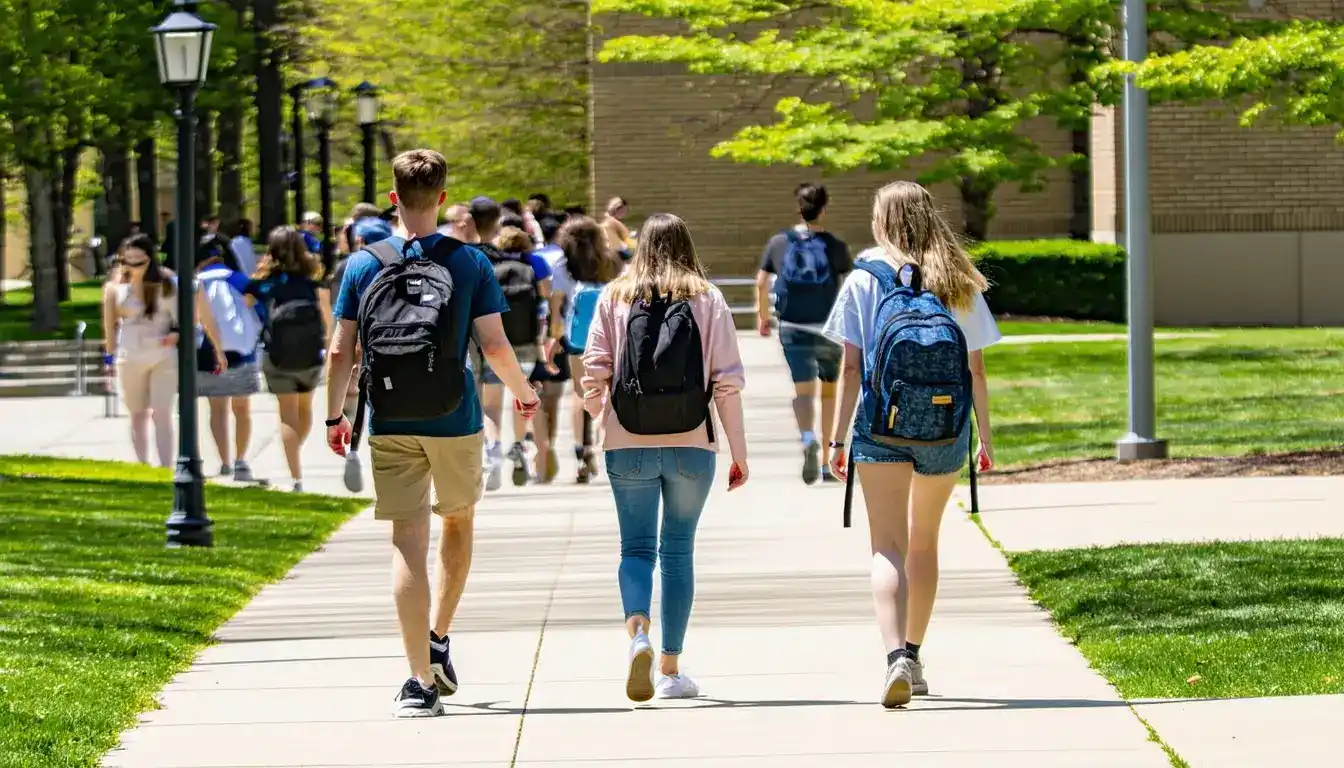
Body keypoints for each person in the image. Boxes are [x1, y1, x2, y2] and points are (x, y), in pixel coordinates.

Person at [325, 149, 540, 718]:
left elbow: (340, 349)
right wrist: (522, 394)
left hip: (391, 418)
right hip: (455, 416)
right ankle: (439, 635)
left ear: (394, 198)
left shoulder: (362, 263)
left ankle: (419, 680)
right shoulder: (469, 262)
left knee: (406, 541)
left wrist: (335, 416)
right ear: (442, 199)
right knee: (459, 522)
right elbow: (494, 346)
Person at [823, 181, 999, 708]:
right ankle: (916, 657)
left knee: (887, 545)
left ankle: (893, 656)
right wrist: (984, 437)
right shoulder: (956, 278)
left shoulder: (863, 278)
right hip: (945, 430)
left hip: (880, 426)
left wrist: (836, 441)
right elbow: (977, 370)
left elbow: (850, 368)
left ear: (881, 222)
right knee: (924, 542)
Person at [581, 213, 749, 701]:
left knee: (635, 549)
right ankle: (672, 671)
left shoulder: (615, 296)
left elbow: (593, 373)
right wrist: (738, 452)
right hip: (691, 444)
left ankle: (638, 635)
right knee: (678, 552)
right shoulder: (707, 298)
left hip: (626, 443)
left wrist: (605, 418)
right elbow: (727, 381)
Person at [755, 182, 852, 485]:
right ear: (824, 208)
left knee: (803, 392)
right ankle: (826, 461)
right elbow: (847, 288)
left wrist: (763, 318)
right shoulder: (835, 245)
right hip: (827, 329)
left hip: (793, 327)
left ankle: (807, 437)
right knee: (827, 392)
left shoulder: (779, 242)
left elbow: (761, 281)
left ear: (798, 208)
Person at [101, 234, 224, 466]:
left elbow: (186, 318)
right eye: (127, 261)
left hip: (163, 355)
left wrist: (176, 333)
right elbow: (109, 328)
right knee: (137, 413)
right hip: (130, 354)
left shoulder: (168, 284)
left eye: (139, 262)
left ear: (150, 259)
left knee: (162, 412)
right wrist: (109, 359)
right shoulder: (114, 288)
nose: (133, 267)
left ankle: (167, 466)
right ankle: (142, 464)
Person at [470, 199, 553, 490]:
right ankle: (518, 445)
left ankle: (492, 453)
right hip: (527, 344)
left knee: (491, 406)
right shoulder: (528, 266)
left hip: (494, 343)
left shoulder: (482, 264)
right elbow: (544, 305)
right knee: (523, 399)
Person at [243, 227, 332, 492]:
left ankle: (296, 476)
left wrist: (262, 269)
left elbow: (246, 302)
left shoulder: (266, 283)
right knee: (305, 410)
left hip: (277, 355)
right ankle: (294, 449)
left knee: (286, 415)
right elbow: (328, 322)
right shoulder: (313, 282)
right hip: (309, 357)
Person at [544, 216, 621, 484]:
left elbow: (556, 313)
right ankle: (608, 448)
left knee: (580, 393)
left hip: (577, 338)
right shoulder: (611, 262)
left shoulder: (562, 267)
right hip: (611, 336)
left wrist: (555, 339)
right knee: (609, 391)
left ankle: (581, 451)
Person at [195, 233, 265, 482]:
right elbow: (259, 305)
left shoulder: (195, 282)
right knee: (242, 409)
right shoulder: (238, 279)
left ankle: (224, 461)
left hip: (208, 350)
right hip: (241, 348)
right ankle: (240, 459)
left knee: (217, 409)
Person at [526, 214, 569, 483]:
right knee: (553, 396)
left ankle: (540, 455)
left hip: (532, 334)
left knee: (535, 398)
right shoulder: (564, 261)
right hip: (559, 332)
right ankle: (548, 446)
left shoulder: (535, 259)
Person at [601, 197, 635, 261]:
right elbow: (615, 246)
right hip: (615, 260)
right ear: (616, 209)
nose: (625, 213)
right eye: (623, 210)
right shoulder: (611, 223)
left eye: (626, 210)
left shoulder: (609, 221)